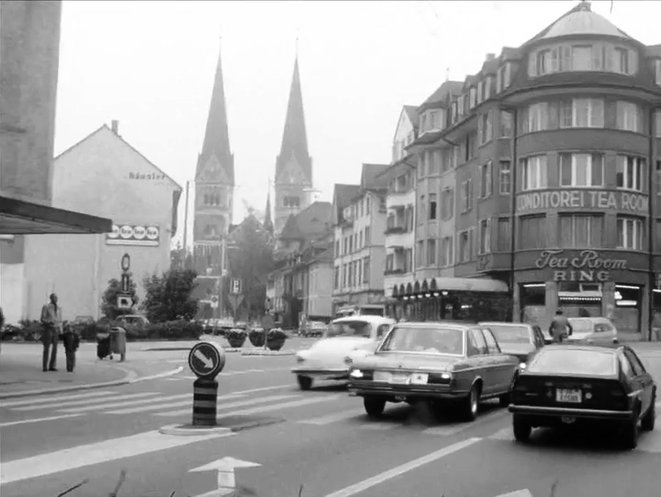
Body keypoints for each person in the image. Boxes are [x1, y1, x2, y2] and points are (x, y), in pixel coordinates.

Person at [40, 293, 63, 371]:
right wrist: (48, 322)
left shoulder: (59, 308)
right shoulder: (46, 307)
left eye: (56, 298)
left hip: (56, 329)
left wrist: (61, 330)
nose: (56, 299)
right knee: (46, 348)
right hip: (49, 329)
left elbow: (60, 320)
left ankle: (52, 366)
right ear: (51, 298)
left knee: (55, 349)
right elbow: (42, 318)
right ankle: (44, 366)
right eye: (54, 298)